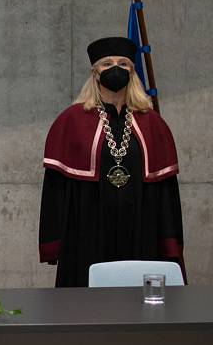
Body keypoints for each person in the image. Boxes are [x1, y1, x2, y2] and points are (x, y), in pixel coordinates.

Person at [39, 37, 184, 287]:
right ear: (94, 73)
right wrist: (53, 243)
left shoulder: (152, 122)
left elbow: (166, 194)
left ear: (133, 72)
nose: (115, 69)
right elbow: (55, 190)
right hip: (86, 229)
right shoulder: (71, 121)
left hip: (141, 227)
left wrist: (170, 242)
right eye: (107, 63)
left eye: (123, 64)